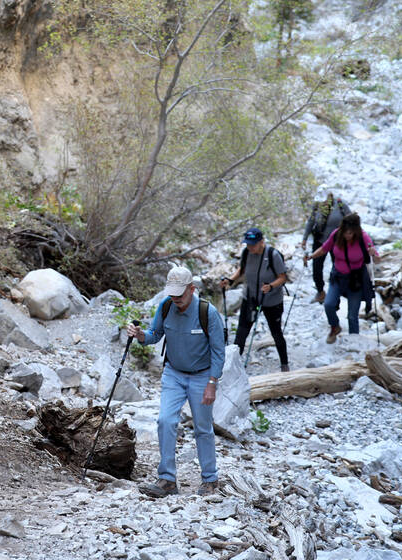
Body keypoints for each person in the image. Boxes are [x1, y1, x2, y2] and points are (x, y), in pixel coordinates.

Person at [126, 267, 224, 498]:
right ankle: (167, 479)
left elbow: (219, 352)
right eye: (172, 293)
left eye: (180, 293)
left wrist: (212, 383)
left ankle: (210, 479)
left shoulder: (207, 313)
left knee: (202, 428)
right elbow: (154, 334)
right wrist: (140, 336)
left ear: (192, 289)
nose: (176, 298)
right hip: (173, 373)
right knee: (165, 421)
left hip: (202, 375)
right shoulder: (166, 305)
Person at [222, 228, 290, 372]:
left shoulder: (273, 255)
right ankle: (231, 366)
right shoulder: (247, 253)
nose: (250, 247)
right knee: (241, 332)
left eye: (253, 244)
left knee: (276, 332)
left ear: (261, 242)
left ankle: (285, 365)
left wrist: (271, 286)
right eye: (248, 244)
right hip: (251, 298)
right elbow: (241, 270)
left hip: (272, 300)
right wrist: (230, 280)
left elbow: (283, 277)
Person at [308, 212, 379, 343]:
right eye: (345, 232)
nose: (347, 235)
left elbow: (375, 257)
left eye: (350, 233)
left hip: (355, 280)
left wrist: (373, 254)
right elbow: (324, 249)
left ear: (356, 231)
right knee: (328, 304)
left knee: (352, 316)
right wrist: (312, 256)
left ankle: (354, 343)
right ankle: (335, 327)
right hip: (338, 277)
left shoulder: (363, 238)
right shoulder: (336, 234)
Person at [300, 191, 351, 303]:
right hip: (320, 240)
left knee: (337, 267)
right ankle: (320, 291)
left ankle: (337, 292)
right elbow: (311, 221)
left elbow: (351, 220)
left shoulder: (340, 204)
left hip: (337, 241)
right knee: (316, 267)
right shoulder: (317, 206)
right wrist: (304, 238)